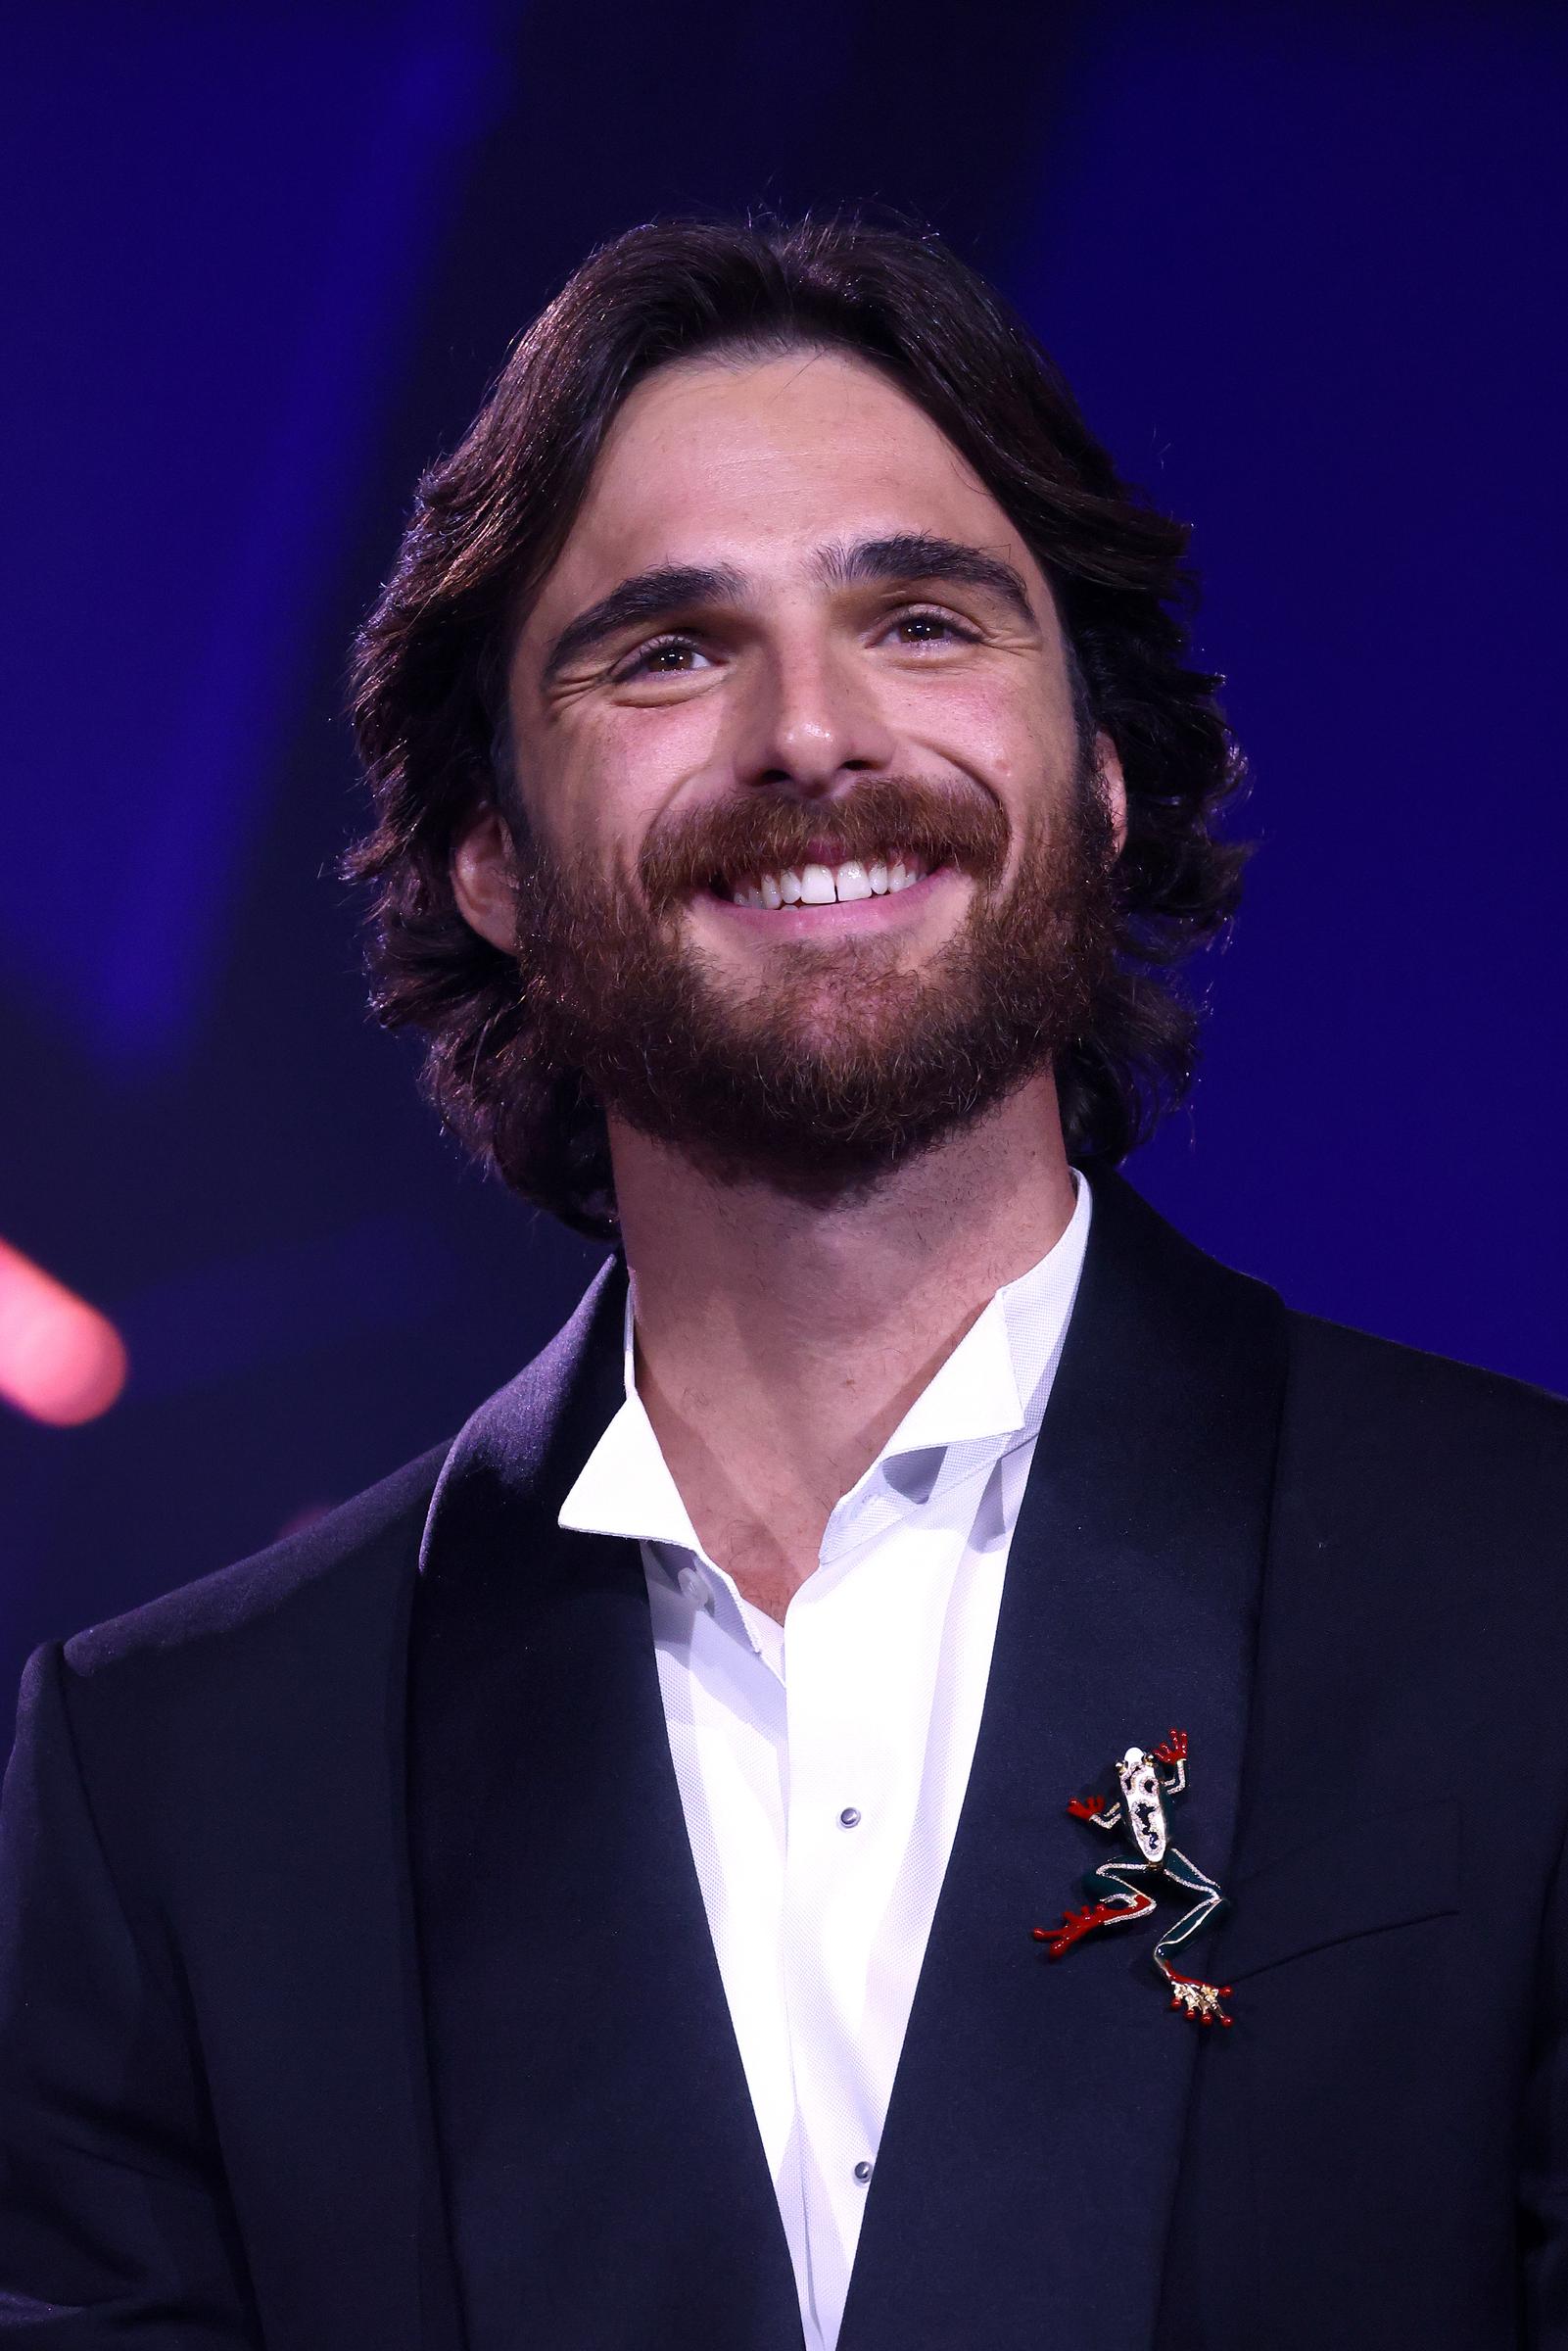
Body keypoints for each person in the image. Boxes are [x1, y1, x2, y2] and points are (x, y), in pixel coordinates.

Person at [0, 216, 1564, 2351]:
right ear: (492, 850)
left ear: (1101, 779)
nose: (812, 733)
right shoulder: (179, 1778)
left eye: (923, 622)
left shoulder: (1524, 1593)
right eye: (666, 651)